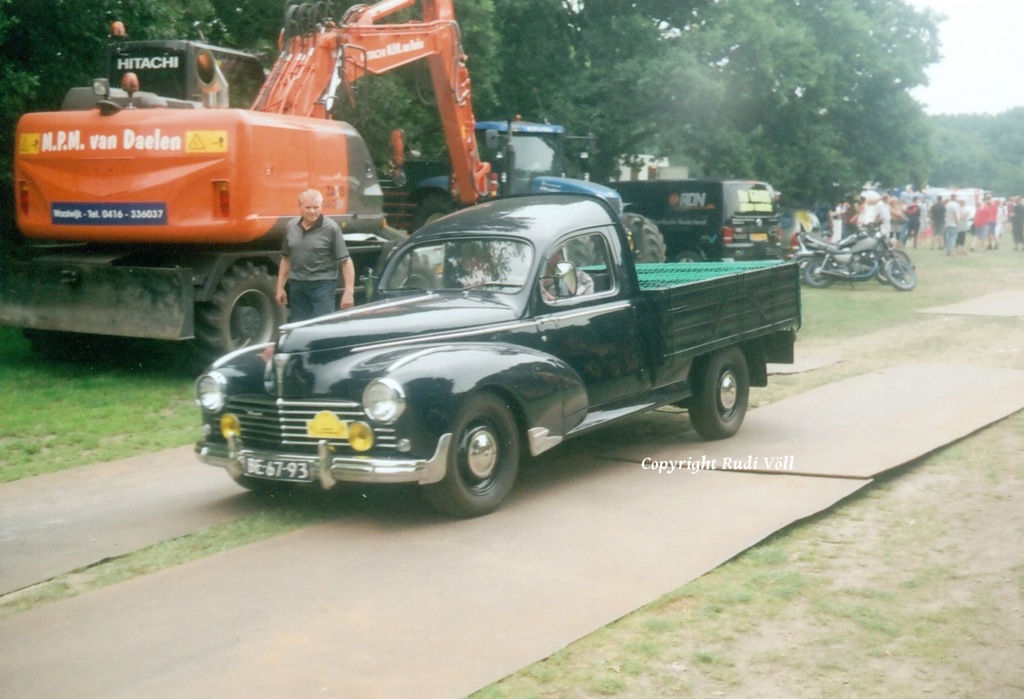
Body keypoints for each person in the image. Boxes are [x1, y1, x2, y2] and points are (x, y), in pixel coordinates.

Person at [275, 188, 355, 323]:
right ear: (299, 207)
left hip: (322, 285)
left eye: (316, 207)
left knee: (324, 326)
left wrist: (349, 291)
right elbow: (286, 259)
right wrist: (280, 288)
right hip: (297, 285)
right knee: (299, 327)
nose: (312, 211)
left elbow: (346, 262)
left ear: (321, 206)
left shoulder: (331, 228)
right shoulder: (291, 226)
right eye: (308, 207)